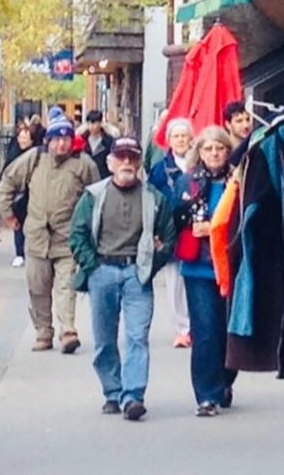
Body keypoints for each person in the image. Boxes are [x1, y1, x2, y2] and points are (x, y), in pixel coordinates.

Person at [69, 137, 162, 419]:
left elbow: (168, 234)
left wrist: (151, 264)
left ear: (139, 163)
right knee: (104, 339)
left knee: (137, 336)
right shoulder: (94, 196)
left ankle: (133, 396)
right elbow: (77, 234)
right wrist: (92, 265)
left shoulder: (153, 197)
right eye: (120, 158)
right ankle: (112, 391)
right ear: (109, 163)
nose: (126, 163)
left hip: (137, 273)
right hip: (103, 271)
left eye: (132, 158)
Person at [0, 114, 99, 352]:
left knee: (67, 286)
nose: (61, 144)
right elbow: (7, 183)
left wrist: (90, 230)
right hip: (37, 237)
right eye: (56, 139)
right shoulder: (34, 159)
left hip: (68, 238)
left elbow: (97, 197)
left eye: (65, 138)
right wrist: (8, 214)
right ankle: (43, 331)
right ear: (48, 140)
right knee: (38, 287)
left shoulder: (84, 164)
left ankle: (68, 331)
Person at [174, 126, 236, 416]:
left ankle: (224, 381)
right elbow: (174, 219)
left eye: (219, 148)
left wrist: (216, 229)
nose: (214, 154)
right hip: (198, 268)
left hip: (231, 266)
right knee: (206, 332)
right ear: (199, 152)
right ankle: (206, 396)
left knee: (229, 330)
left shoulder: (238, 181)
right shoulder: (188, 182)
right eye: (208, 149)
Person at [151, 119, 198, 348]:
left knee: (196, 279)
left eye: (184, 135)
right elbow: (151, 200)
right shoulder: (159, 170)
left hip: (195, 230)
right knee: (174, 283)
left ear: (191, 138)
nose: (180, 140)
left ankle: (199, 325)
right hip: (170, 230)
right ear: (169, 141)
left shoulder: (199, 166)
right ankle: (182, 328)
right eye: (176, 136)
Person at [6, 121, 36, 267]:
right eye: (21, 137)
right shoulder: (13, 153)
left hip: (32, 194)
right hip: (18, 195)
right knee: (18, 225)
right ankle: (19, 253)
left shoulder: (35, 154)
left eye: (26, 138)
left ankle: (31, 252)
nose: (23, 140)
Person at [222, 101, 255, 166]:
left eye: (248, 120)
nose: (246, 125)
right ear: (228, 124)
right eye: (239, 121)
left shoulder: (254, 147)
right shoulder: (222, 150)